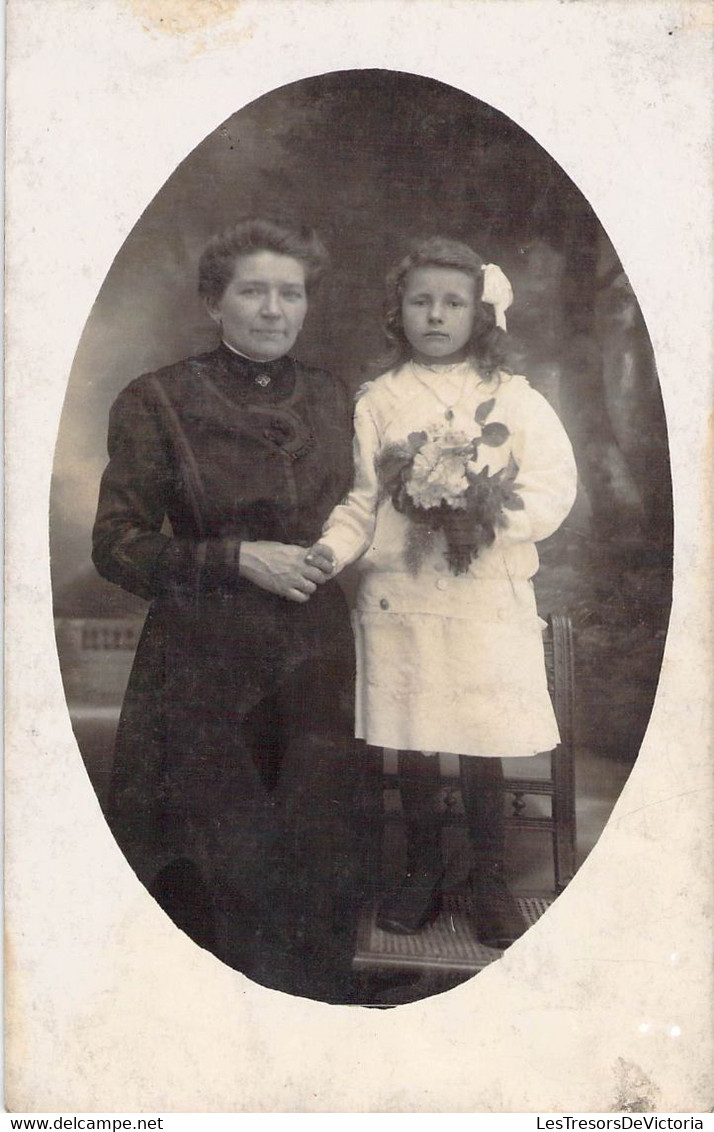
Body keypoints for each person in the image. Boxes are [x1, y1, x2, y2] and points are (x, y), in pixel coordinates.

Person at [92, 217, 377, 1002]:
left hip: (314, 662)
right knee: (214, 873)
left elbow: (366, 509)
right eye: (253, 290)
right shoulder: (157, 400)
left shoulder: (332, 398)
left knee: (312, 864)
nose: (273, 309)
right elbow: (114, 545)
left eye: (290, 293)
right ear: (214, 301)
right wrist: (236, 558)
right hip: (199, 670)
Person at [307, 236, 577, 948]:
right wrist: (328, 553)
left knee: (481, 735)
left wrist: (482, 513)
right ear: (398, 311)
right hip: (403, 596)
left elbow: (551, 485)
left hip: (483, 591)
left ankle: (487, 876)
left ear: (479, 314)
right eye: (420, 301)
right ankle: (423, 867)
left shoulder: (513, 398)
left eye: (452, 303)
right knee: (418, 739)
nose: (435, 315)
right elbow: (362, 500)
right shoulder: (379, 400)